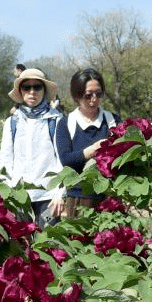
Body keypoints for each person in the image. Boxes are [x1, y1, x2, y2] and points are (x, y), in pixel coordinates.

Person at [0, 68, 64, 227]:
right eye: (26, 87)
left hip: (49, 198)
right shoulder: (12, 122)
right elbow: (6, 160)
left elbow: (63, 160)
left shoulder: (56, 120)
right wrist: (8, 191)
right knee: (22, 243)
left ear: (44, 90)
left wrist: (60, 193)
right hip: (20, 197)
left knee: (48, 241)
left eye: (37, 87)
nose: (32, 91)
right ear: (20, 91)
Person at [54, 68, 121, 216]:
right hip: (79, 198)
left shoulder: (113, 121)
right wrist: (93, 150)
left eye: (99, 94)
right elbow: (66, 160)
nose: (94, 99)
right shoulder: (66, 124)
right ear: (77, 96)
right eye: (88, 95)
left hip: (110, 196)